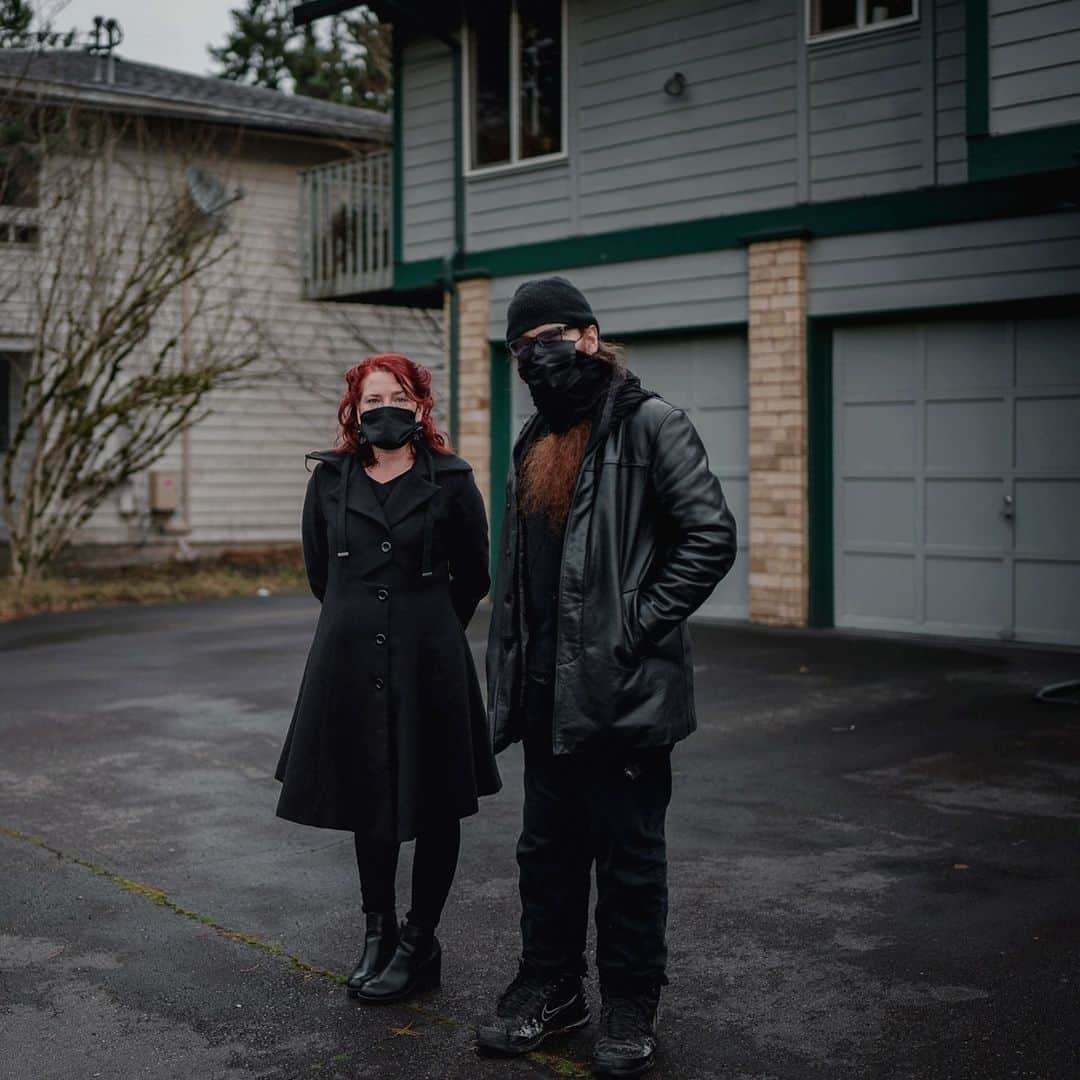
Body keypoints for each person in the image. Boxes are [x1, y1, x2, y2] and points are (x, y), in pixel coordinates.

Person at [476, 278, 736, 1076]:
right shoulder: (532, 439)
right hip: (547, 697)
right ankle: (552, 989)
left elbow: (709, 536)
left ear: (589, 337)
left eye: (545, 339)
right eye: (519, 348)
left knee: (630, 857)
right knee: (546, 854)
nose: (532, 357)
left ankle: (631, 1002)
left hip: (624, 693)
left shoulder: (653, 424)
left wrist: (631, 625)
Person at [275, 353, 500, 1005]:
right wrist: (362, 621)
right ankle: (377, 932)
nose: (383, 410)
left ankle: (418, 940)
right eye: (370, 400)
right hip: (347, 660)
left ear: (421, 406)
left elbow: (476, 575)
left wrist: (426, 626)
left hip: (429, 661)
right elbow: (322, 573)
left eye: (396, 397)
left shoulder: (453, 479)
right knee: (366, 795)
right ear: (354, 411)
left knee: (435, 800)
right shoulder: (331, 479)